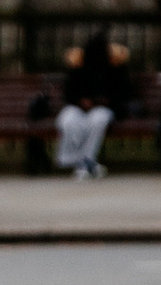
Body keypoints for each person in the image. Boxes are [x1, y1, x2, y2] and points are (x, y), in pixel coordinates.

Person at [53, 30, 126, 178]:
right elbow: (69, 94)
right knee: (68, 120)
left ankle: (86, 160)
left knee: (98, 119)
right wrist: (81, 101)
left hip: (104, 109)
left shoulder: (116, 70)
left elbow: (122, 95)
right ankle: (77, 160)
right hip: (78, 108)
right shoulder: (78, 70)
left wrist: (103, 101)